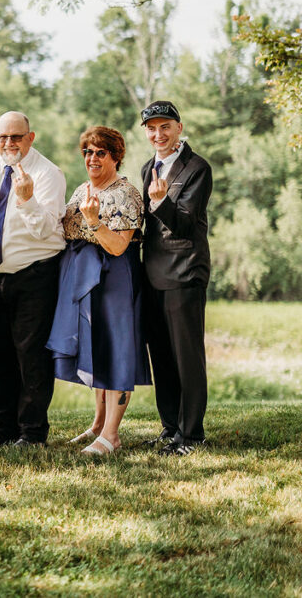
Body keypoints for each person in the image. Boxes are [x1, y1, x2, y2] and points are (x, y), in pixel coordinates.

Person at [0, 111, 66, 448]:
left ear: (30, 138)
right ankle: (2, 431)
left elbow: (46, 228)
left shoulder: (48, 174)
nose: (9, 144)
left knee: (31, 356)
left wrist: (26, 198)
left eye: (16, 137)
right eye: (2, 137)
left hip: (36, 274)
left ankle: (32, 433)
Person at [46, 127, 150, 455]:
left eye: (100, 152)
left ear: (115, 156)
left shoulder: (126, 193)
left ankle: (111, 435)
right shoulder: (81, 189)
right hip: (85, 277)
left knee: (116, 348)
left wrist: (92, 221)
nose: (92, 158)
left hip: (115, 278)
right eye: (88, 152)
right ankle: (98, 423)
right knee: (96, 346)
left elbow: (118, 246)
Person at [138, 101, 212, 456]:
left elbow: (183, 221)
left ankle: (192, 436)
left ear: (179, 128)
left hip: (185, 274)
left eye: (165, 127)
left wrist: (161, 201)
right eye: (151, 129)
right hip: (151, 275)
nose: (158, 134)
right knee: (162, 359)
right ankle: (170, 428)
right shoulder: (146, 168)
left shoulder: (197, 168)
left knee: (187, 359)